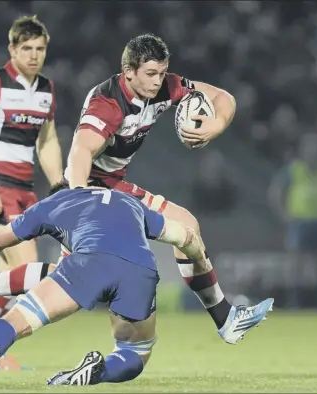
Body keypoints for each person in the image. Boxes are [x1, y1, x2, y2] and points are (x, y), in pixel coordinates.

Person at [0, 188, 273, 385]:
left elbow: (0, 241)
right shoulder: (131, 203)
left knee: (19, 319)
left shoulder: (55, 204)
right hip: (139, 270)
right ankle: (97, 373)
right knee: (137, 349)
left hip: (87, 264)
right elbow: (184, 236)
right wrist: (201, 259)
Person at [60, 32, 243, 341]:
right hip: (92, 193)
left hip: (115, 187)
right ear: (128, 72)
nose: (158, 81)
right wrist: (81, 203)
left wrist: (214, 126)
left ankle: (225, 319)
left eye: (161, 72)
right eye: (150, 74)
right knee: (68, 291)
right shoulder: (108, 103)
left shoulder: (166, 86)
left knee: (187, 226)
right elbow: (80, 152)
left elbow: (223, 97)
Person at [0, 15, 63, 368]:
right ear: (12, 49)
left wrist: (60, 185)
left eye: (40, 49)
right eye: (27, 49)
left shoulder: (46, 88)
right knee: (30, 271)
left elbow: (47, 141)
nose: (34, 55)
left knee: (12, 280)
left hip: (25, 191)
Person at [268, 133, 317, 308]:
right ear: (303, 150)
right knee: (296, 263)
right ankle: (294, 300)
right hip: (299, 222)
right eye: (310, 148)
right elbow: (275, 191)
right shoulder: (294, 169)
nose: (314, 152)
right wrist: (283, 214)